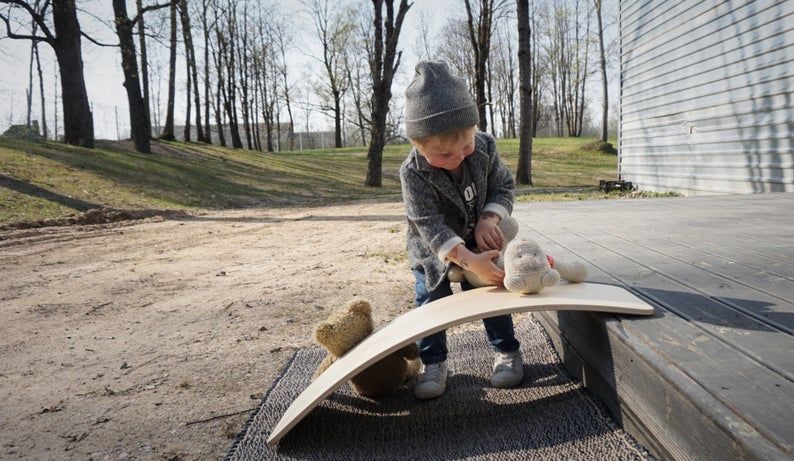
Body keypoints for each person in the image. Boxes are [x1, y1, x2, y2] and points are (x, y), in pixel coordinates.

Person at [399, 60, 523, 400]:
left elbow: (503, 187)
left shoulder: (484, 147)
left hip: (475, 236)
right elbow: (428, 224)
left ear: (473, 131)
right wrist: (466, 259)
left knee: (490, 289)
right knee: (430, 298)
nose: (457, 156)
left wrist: (489, 219)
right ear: (418, 145)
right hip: (434, 249)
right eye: (443, 153)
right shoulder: (412, 172)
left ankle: (507, 351)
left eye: (464, 146)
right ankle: (433, 362)